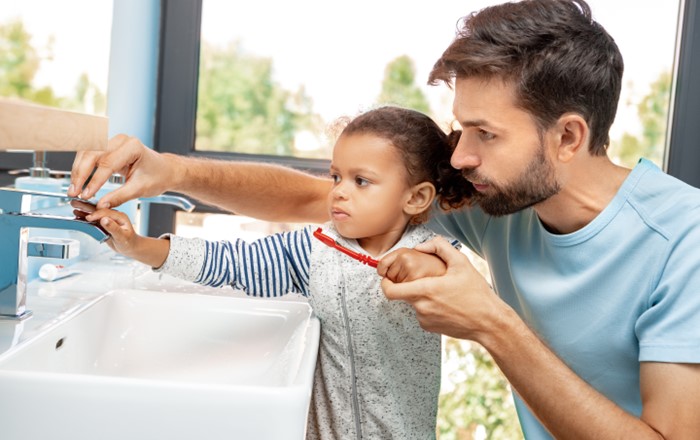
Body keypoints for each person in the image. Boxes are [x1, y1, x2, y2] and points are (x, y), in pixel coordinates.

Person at [68, 1, 700, 438]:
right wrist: (175, 171)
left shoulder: (684, 243)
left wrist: (493, 326)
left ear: (567, 136)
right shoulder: (504, 200)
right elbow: (307, 200)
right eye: (459, 128)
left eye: (485, 133)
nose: (460, 156)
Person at [77, 106, 470, 439]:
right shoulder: (312, 248)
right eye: (336, 177)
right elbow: (229, 262)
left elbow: (465, 305)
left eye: (361, 181)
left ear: (416, 197)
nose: (338, 191)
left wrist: (428, 269)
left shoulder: (435, 255)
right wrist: (136, 246)